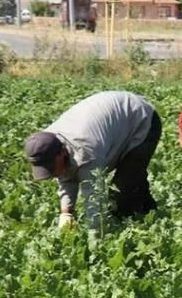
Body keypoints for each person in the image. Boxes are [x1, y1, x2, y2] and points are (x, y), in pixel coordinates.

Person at [24, 90, 161, 229]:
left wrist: (95, 235)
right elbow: (65, 174)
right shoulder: (49, 140)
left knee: (124, 185)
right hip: (117, 117)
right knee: (132, 183)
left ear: (62, 153)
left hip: (141, 119)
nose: (52, 173)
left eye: (51, 167)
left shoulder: (85, 151)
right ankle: (152, 215)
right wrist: (66, 213)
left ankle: (133, 225)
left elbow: (94, 196)